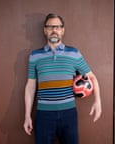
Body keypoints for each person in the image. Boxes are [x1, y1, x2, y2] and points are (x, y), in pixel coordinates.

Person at [23, 13, 102, 144]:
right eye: (50, 27)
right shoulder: (35, 56)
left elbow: (92, 77)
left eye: (58, 27)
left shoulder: (74, 53)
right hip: (43, 115)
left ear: (63, 30)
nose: (54, 30)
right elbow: (30, 86)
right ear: (45, 30)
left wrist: (98, 101)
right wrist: (27, 116)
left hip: (68, 115)